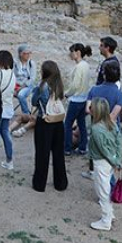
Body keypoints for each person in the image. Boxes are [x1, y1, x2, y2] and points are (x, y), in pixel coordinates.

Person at [31, 61, 68, 193]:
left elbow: (34, 102)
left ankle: (39, 184)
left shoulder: (42, 86)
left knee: (42, 154)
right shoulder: (59, 85)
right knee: (58, 154)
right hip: (58, 122)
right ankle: (61, 183)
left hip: (45, 122)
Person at [88, 98, 122, 231]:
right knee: (106, 187)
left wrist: (115, 161)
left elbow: (103, 150)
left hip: (101, 162)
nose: (89, 108)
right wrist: (117, 159)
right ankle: (110, 213)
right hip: (110, 162)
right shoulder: (112, 123)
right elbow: (119, 140)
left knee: (102, 191)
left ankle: (105, 220)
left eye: (91, 107)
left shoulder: (96, 128)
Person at [63, 43, 93, 156]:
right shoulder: (86, 65)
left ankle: (67, 148)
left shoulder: (79, 67)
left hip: (76, 99)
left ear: (78, 52)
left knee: (68, 124)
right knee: (81, 124)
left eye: (72, 52)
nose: (70, 54)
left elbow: (75, 85)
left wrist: (67, 94)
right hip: (84, 99)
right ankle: (82, 147)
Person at [87, 61, 122, 128]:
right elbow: (113, 116)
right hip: (111, 129)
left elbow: (87, 110)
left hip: (95, 127)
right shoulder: (120, 95)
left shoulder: (93, 90)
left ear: (104, 75)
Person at [12, 45, 36, 126]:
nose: (28, 55)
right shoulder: (15, 63)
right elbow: (12, 75)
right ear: (20, 54)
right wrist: (14, 87)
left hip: (27, 85)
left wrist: (21, 87)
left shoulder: (31, 63)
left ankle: (26, 114)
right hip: (15, 85)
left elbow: (32, 79)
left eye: (29, 53)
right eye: (26, 53)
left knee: (21, 95)